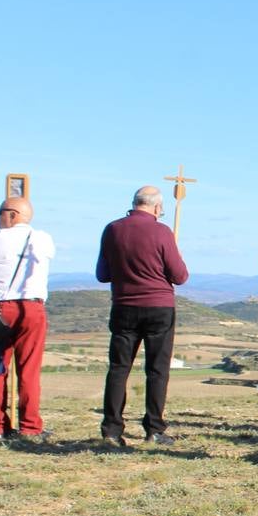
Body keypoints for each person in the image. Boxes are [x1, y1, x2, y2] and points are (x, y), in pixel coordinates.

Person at [96, 186, 189, 446]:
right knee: (157, 370)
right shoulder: (162, 232)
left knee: (118, 368)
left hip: (124, 305)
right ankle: (154, 429)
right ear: (157, 207)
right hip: (159, 307)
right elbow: (180, 276)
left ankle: (112, 430)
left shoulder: (112, 229)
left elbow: (103, 274)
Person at [0, 195, 55, 441]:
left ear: (12, 215)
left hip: (0, 308)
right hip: (32, 307)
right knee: (29, 369)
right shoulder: (43, 239)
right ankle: (30, 426)